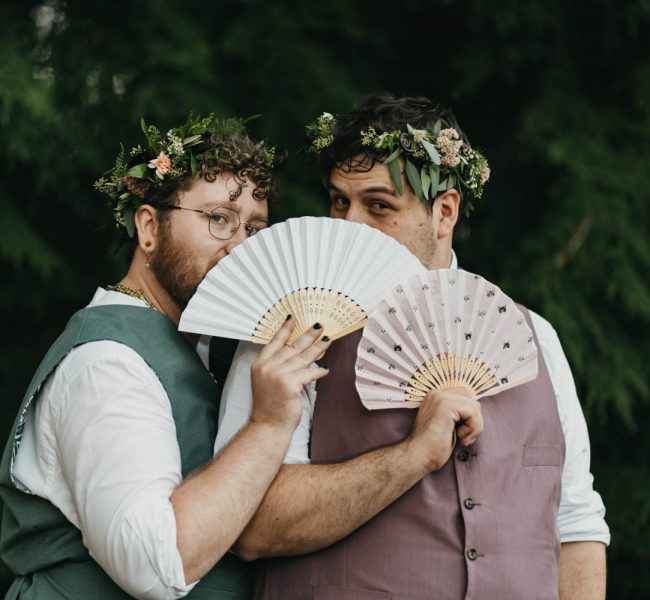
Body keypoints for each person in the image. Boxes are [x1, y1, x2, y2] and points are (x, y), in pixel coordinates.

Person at [220, 94, 610, 599]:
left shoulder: (536, 337)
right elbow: (251, 526)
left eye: (378, 205)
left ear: (444, 212)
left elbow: (576, 526)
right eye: (340, 201)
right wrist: (410, 458)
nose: (349, 225)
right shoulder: (288, 334)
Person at [0, 113, 334, 599]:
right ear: (149, 226)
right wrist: (266, 425)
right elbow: (155, 566)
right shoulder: (106, 363)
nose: (242, 248)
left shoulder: (206, 350)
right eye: (219, 219)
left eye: (255, 229)